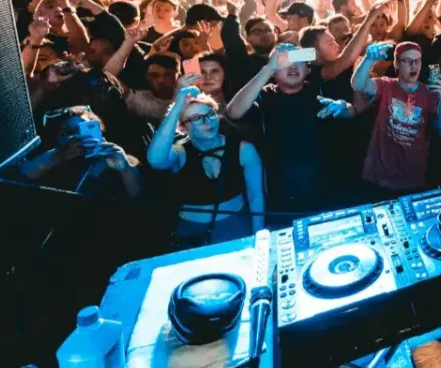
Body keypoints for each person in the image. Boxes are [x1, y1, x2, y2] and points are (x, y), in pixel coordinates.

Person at [226, 45, 354, 215]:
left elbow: (351, 112)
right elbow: (233, 112)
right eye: (284, 62)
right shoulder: (263, 96)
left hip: (328, 188)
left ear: (307, 69)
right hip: (282, 192)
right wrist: (268, 69)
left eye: (298, 61)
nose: (293, 66)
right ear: (273, 71)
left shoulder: (321, 88)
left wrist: (344, 107)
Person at [147, 89, 265, 247]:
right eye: (196, 118)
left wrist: (258, 234)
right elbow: (155, 160)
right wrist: (177, 107)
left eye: (210, 114)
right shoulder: (180, 153)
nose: (207, 121)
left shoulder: (243, 149)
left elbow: (256, 195)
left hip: (236, 225)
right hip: (191, 232)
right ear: (182, 128)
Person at [352, 41, 441, 194]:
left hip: (412, 176)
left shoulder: (428, 93)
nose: (414, 65)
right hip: (380, 175)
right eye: (407, 61)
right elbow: (357, 85)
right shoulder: (386, 85)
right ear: (396, 64)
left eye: (417, 61)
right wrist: (369, 59)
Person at [19, 106, 141, 198]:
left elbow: (140, 197)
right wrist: (59, 156)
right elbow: (21, 176)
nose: (76, 138)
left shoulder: (118, 158)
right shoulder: (53, 157)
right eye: (67, 133)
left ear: (99, 133)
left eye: (82, 131)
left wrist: (125, 168)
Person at [126, 53, 184, 122]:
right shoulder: (139, 98)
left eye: (168, 75)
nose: (161, 80)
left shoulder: (188, 98)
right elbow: (113, 80)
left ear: (179, 76)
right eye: (154, 75)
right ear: (147, 76)